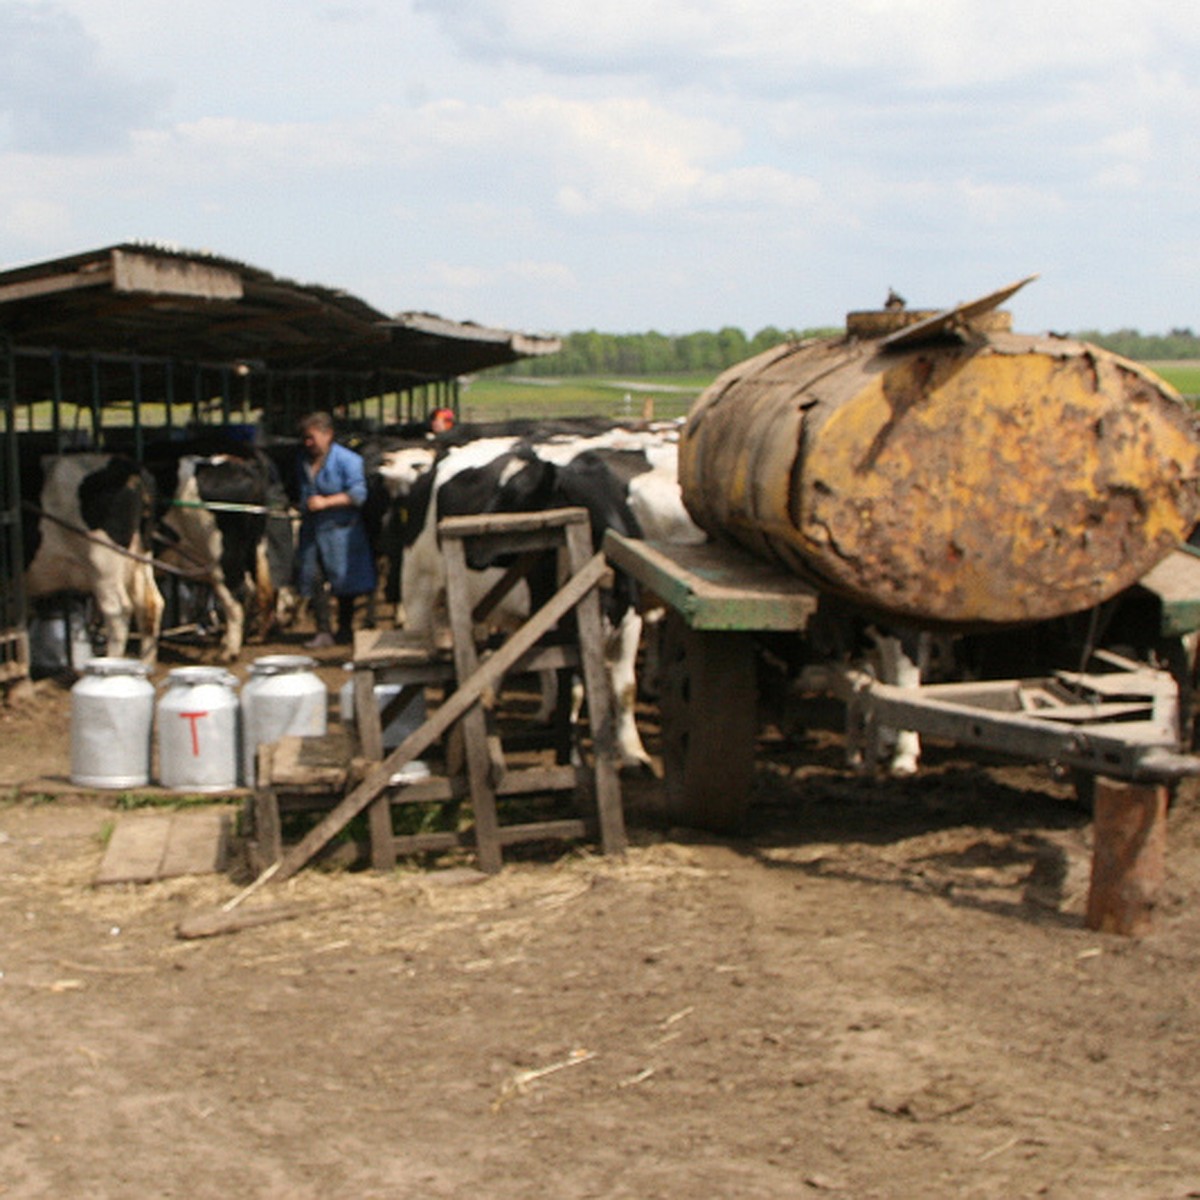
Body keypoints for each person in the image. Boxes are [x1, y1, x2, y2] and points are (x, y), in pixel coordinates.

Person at [295, 412, 377, 648]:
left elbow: (358, 495)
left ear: (327, 434)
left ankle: (345, 629)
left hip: (341, 530)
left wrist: (325, 502)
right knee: (314, 577)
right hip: (313, 529)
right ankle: (323, 630)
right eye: (306, 438)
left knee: (345, 580)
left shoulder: (348, 460)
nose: (308, 443)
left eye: (312, 438)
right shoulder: (303, 461)